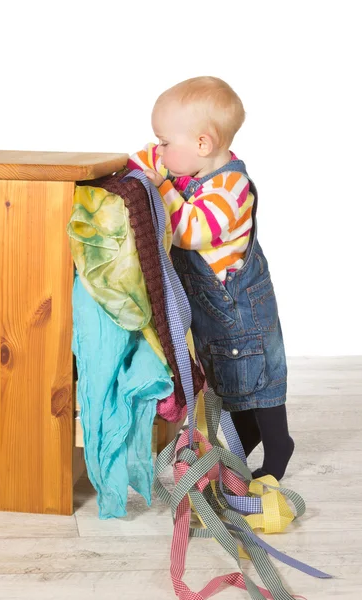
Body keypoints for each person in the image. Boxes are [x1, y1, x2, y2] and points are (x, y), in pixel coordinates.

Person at [128, 76, 294, 480]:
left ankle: (278, 446)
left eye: (166, 142)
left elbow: (188, 229)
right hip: (212, 314)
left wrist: (162, 185)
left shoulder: (231, 189)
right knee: (226, 384)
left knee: (258, 381)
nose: (159, 150)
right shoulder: (192, 171)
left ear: (202, 144)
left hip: (240, 315)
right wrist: (154, 166)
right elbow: (141, 160)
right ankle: (242, 440)